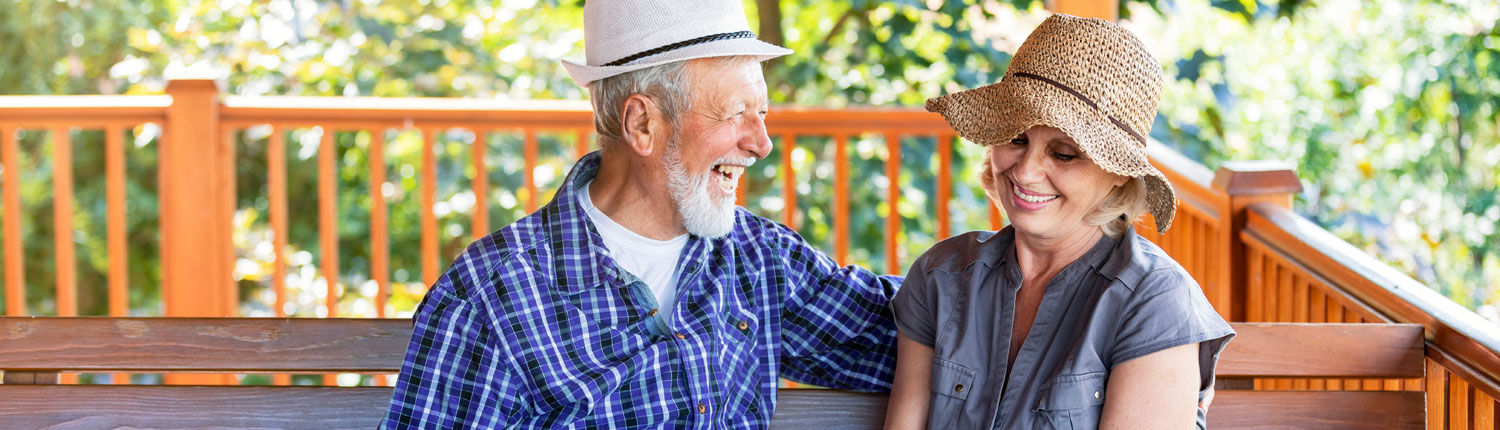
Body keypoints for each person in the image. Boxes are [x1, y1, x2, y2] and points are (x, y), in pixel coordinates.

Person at [381, 0, 902, 428]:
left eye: (761, 112)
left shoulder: (759, 259)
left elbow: (923, 331)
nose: (761, 143)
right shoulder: (492, 295)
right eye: (736, 114)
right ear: (642, 124)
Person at [883, 14, 1235, 430]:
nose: (1026, 171)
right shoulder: (940, 275)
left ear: (1118, 172)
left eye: (1064, 153)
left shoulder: (1155, 301)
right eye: (1016, 138)